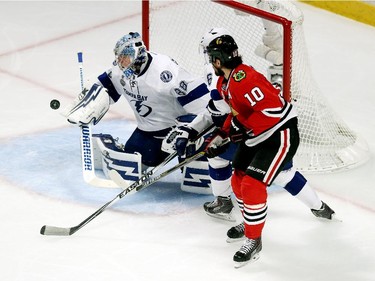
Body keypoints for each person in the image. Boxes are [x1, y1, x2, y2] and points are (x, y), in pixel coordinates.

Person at [169, 28, 336, 268]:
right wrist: (220, 136)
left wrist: (237, 126)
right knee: (237, 179)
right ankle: (251, 224)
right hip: (257, 135)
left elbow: (273, 113)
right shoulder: (225, 82)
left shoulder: (243, 79)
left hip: (279, 134)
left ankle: (253, 240)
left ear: (217, 60)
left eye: (211, 58)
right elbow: (236, 115)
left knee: (252, 183)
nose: (210, 62)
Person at [65, 32, 212, 182]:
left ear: (138, 56)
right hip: (149, 131)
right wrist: (88, 101)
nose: (120, 62)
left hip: (176, 128)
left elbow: (203, 104)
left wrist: (189, 129)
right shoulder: (120, 69)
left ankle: (204, 157)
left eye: (125, 58)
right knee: (130, 167)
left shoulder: (164, 72)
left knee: (195, 169)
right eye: (119, 57)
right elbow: (105, 87)